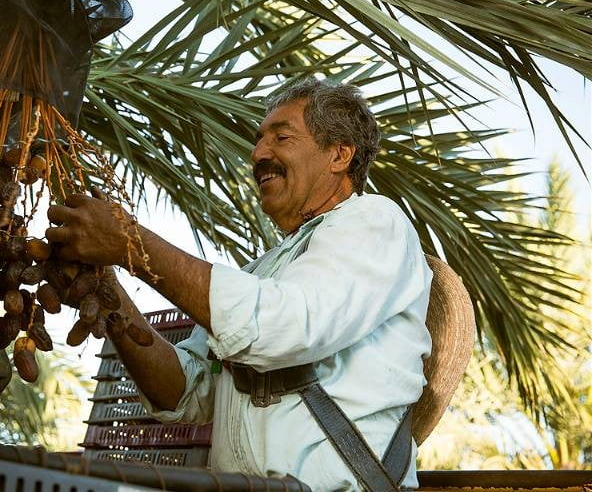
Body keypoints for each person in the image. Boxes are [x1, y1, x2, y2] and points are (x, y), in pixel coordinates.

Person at [47, 78, 433, 491]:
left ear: (339, 154)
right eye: (259, 140)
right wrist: (109, 295)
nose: (259, 154)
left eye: (282, 137)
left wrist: (131, 243)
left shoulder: (375, 221)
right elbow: (184, 393)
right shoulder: (261, 270)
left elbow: (279, 327)